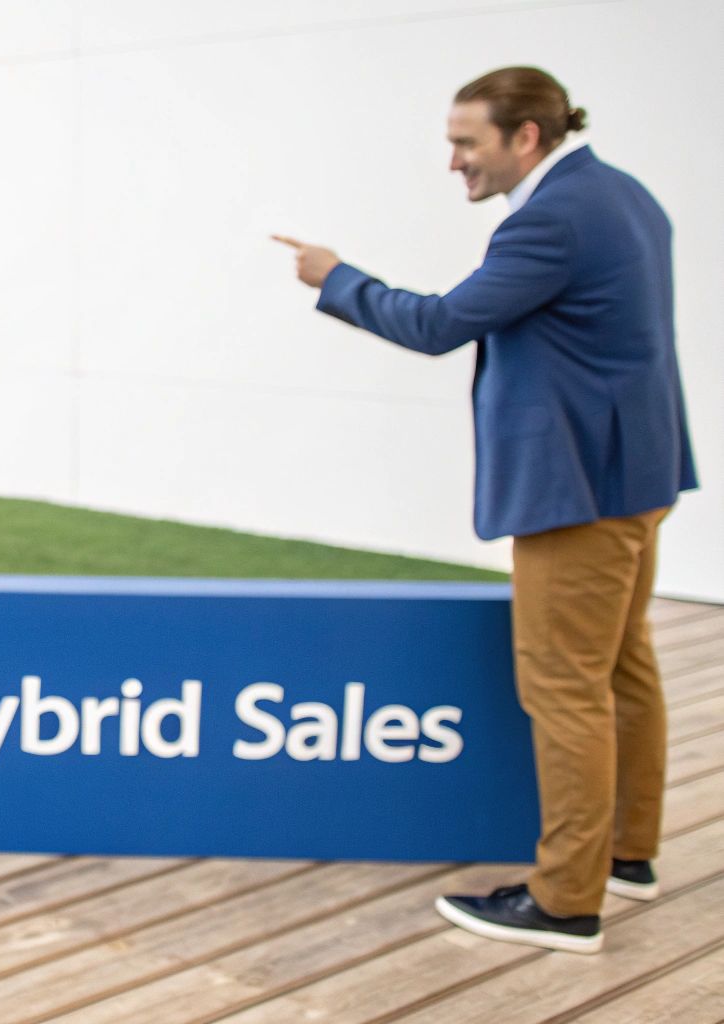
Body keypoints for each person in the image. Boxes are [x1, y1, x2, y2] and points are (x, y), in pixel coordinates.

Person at [274, 67, 696, 954]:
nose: (454, 161)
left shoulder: (551, 218)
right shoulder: (622, 194)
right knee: (622, 669)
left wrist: (334, 276)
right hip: (635, 476)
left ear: (527, 137)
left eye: (467, 141)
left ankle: (565, 900)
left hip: (579, 490)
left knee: (564, 687)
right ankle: (627, 854)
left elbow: (436, 324)